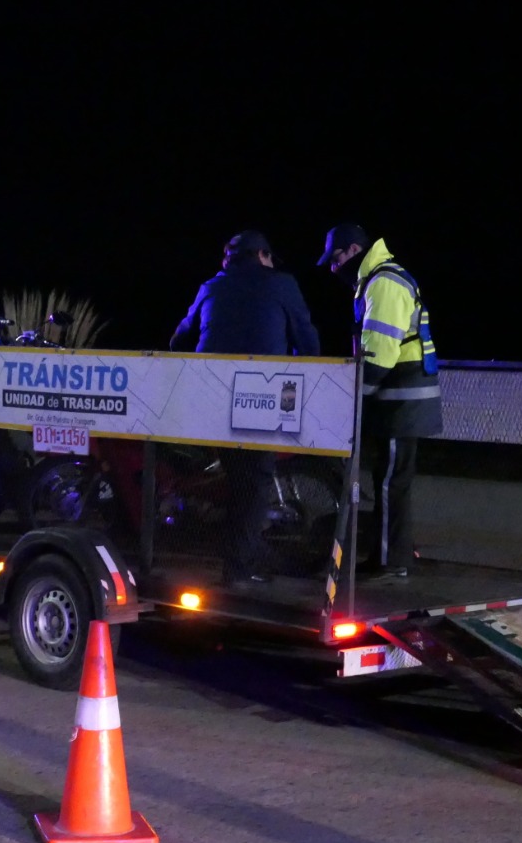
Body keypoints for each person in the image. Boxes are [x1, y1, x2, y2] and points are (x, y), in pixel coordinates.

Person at [171, 230, 320, 585]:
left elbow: (179, 339)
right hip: (260, 397)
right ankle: (239, 568)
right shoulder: (282, 284)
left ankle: (241, 552)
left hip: (211, 394)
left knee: (238, 476)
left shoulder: (211, 286)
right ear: (263, 256)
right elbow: (307, 340)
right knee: (254, 481)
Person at [317, 223, 440, 577]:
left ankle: (390, 562)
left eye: (336, 258)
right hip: (399, 399)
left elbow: (379, 354)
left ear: (354, 250)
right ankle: (391, 558)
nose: (332, 268)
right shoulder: (379, 279)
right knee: (391, 481)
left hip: (400, 400)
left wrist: (355, 398)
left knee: (390, 482)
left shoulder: (383, 282)